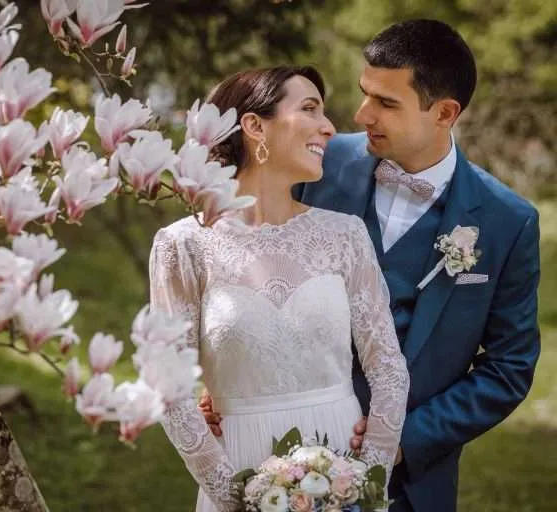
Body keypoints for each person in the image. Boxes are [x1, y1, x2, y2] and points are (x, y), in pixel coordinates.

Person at [203, 19, 541, 512]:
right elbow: (244, 267)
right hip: (279, 461)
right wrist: (225, 378)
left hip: (412, 484)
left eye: (386, 103)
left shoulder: (507, 221)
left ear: (445, 112)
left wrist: (404, 439)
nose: (361, 115)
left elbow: (508, 368)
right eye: (365, 94)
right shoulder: (315, 164)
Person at [149, 66, 410, 511]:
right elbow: (169, 390)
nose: (329, 127)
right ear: (254, 126)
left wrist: (365, 483)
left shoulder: (344, 235)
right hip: (237, 473)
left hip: (342, 475)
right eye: (309, 109)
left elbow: (387, 369)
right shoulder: (183, 245)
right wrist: (238, 499)